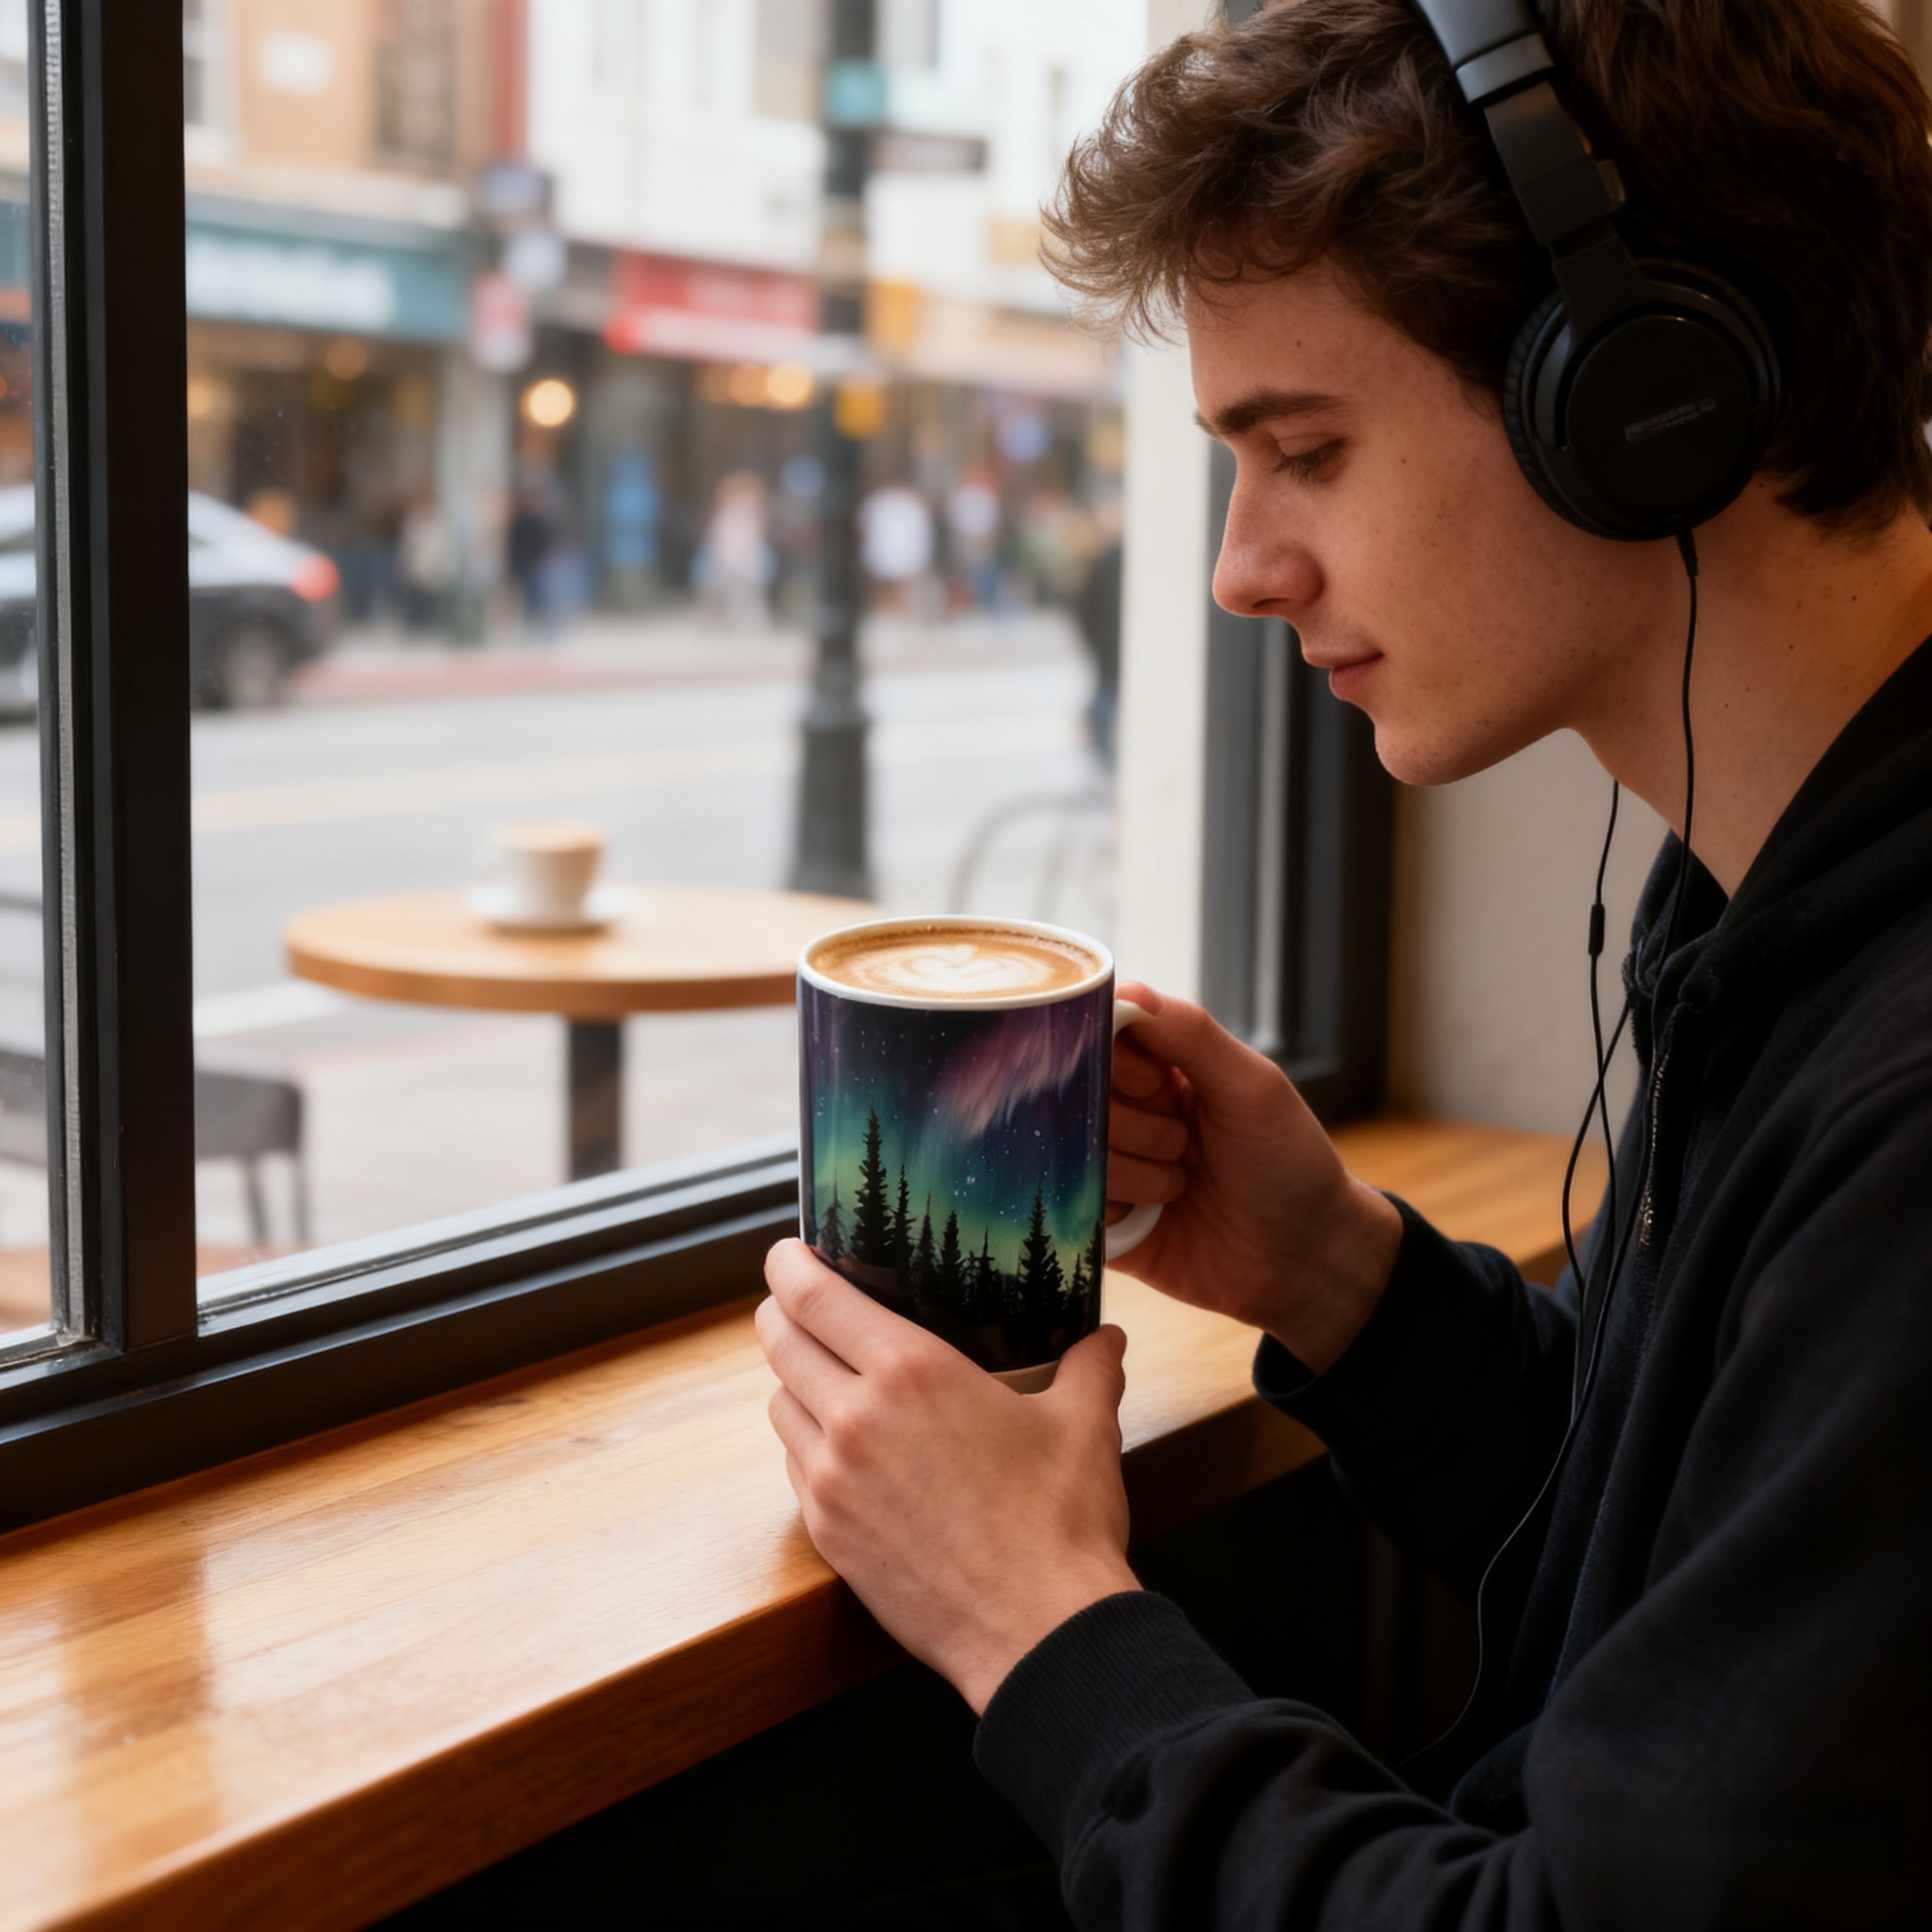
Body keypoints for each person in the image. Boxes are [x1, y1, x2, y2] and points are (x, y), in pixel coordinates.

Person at [757, 1, 1932, 1924]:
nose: (1241, 569)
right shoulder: (1775, 894)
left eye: (1304, 448)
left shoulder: (1903, 1095)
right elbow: (1704, 1565)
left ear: (1641, 398)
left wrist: (1034, 1618)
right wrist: (1331, 1270)